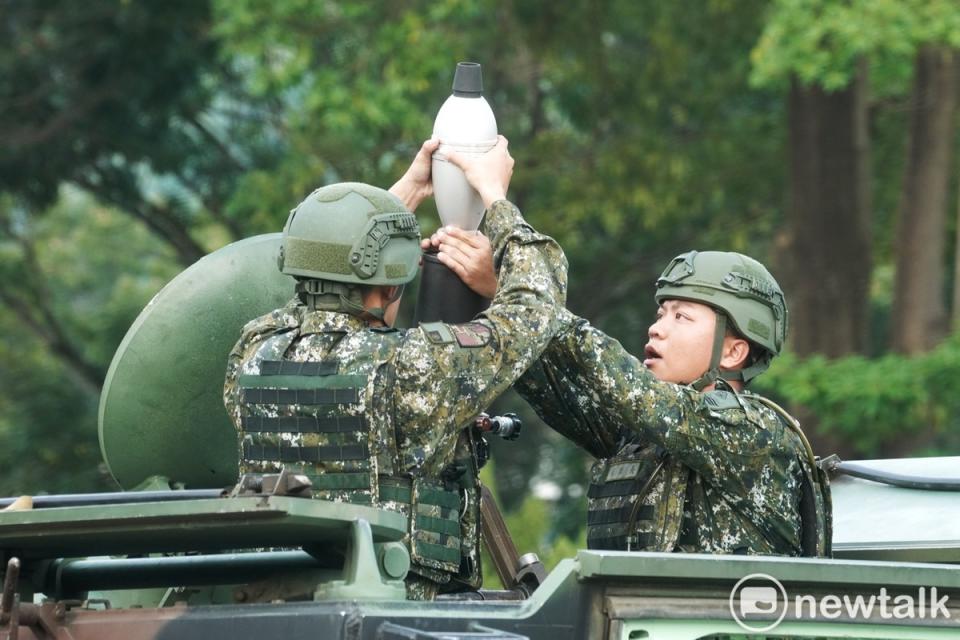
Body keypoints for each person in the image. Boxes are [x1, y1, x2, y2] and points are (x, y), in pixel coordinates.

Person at [222, 136, 568, 599]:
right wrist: (496, 197)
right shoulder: (414, 366)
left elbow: (304, 302)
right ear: (389, 288)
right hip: (395, 613)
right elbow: (534, 307)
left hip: (270, 613)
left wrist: (390, 207)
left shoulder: (253, 354)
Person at [424, 234, 831, 557]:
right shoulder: (644, 437)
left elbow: (610, 372)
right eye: (660, 313)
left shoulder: (754, 432)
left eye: (682, 316)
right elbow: (546, 371)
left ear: (732, 350)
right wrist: (505, 296)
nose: (657, 329)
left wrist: (515, 252)